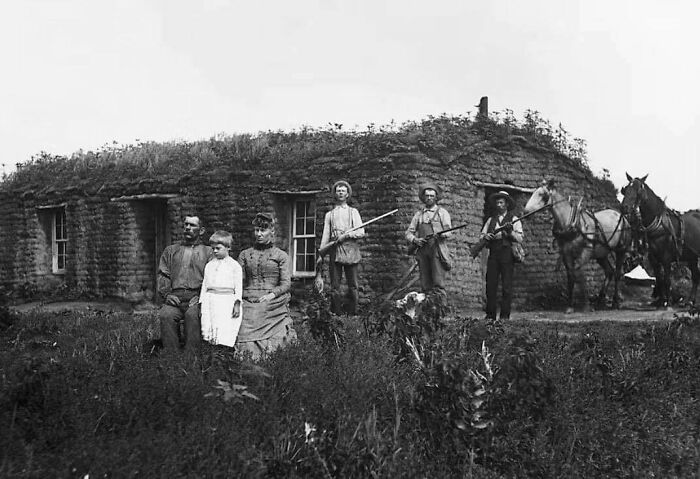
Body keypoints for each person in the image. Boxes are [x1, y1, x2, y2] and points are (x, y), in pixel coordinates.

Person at [236, 213, 297, 359]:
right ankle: (247, 357)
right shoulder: (245, 255)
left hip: (271, 299)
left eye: (262, 230)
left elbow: (286, 283)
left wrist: (271, 295)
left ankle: (267, 357)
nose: (258, 234)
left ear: (272, 232)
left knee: (261, 309)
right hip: (248, 298)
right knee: (245, 314)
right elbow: (238, 281)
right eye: (256, 230)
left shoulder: (281, 255)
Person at [158, 215, 213, 351]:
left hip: (197, 297)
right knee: (166, 315)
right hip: (174, 297)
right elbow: (163, 275)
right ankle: (173, 359)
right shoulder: (171, 251)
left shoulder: (209, 252)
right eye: (186, 225)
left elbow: (212, 279)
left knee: (192, 316)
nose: (188, 228)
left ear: (201, 231)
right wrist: (166, 295)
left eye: (192, 225)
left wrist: (201, 297)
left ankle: (191, 359)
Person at [320, 180, 365, 315]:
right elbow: (325, 236)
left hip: (351, 250)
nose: (340, 193)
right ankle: (336, 314)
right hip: (335, 250)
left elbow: (361, 232)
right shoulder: (330, 214)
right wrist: (320, 254)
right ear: (335, 194)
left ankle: (353, 314)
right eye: (338, 191)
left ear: (347, 194)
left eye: (343, 191)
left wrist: (347, 235)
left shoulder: (353, 212)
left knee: (353, 285)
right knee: (335, 286)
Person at [480, 191, 524, 320]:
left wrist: (510, 233)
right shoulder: (490, 220)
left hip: (507, 254)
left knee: (506, 287)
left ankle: (505, 316)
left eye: (502, 203)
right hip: (493, 254)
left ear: (507, 204)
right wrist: (486, 236)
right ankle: (490, 315)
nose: (499, 205)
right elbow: (481, 236)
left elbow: (520, 238)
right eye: (497, 203)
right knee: (490, 285)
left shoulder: (514, 220)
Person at [405, 183, 453, 295]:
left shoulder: (442, 213)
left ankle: (440, 309)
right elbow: (408, 232)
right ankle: (427, 309)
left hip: (437, 249)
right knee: (425, 282)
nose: (429, 198)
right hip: (423, 251)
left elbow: (449, 232)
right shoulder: (419, 215)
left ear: (436, 197)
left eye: (432, 196)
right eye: (427, 196)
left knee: (438, 282)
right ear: (423, 198)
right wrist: (415, 240)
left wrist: (441, 234)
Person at [199, 230, 242, 347]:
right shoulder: (209, 265)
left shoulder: (234, 266)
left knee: (224, 328)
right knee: (210, 327)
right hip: (210, 300)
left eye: (218, 248)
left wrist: (237, 303)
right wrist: (202, 302)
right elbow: (205, 285)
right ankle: (211, 353)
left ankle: (223, 353)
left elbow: (238, 286)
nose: (215, 251)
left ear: (228, 247)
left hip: (226, 301)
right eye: (213, 249)